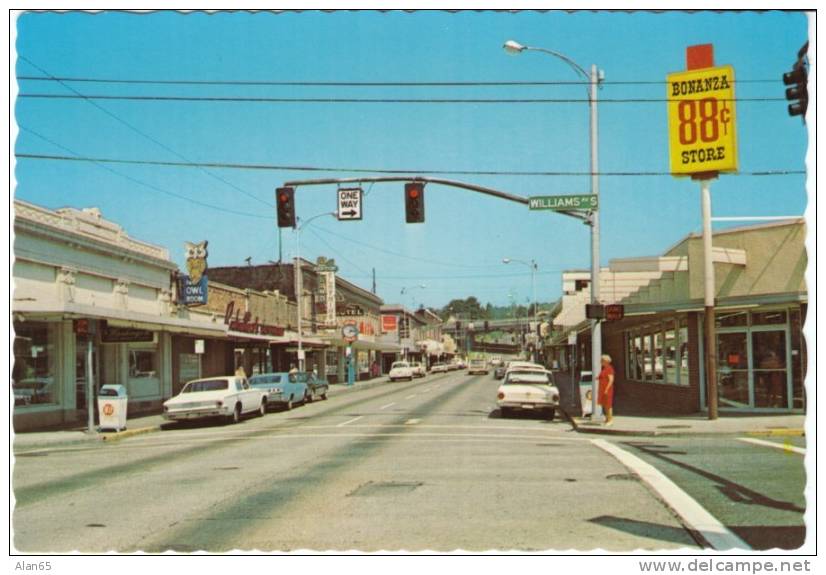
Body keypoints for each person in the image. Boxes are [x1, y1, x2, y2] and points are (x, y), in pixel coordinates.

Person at [598, 354, 615, 426]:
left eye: (602, 360)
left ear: (606, 361)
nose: (600, 362)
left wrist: (607, 389)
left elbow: (611, 380)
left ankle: (610, 420)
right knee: (605, 404)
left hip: (607, 389)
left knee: (608, 405)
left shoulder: (609, 369)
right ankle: (607, 419)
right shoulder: (604, 369)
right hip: (603, 389)